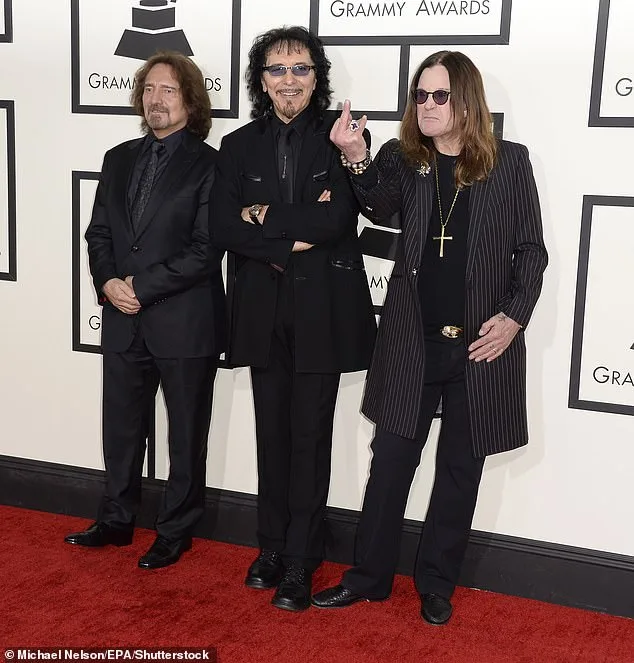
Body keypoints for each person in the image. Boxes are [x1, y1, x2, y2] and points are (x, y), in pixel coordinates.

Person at [312, 50, 547, 624]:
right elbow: (376, 202)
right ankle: (369, 577)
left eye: (440, 96)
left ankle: (437, 583)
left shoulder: (509, 164)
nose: (428, 106)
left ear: (467, 101)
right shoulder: (404, 159)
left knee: (460, 470)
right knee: (390, 461)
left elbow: (531, 253)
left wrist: (514, 317)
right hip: (411, 343)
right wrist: (354, 153)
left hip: (479, 348)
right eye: (421, 95)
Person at [210, 26, 376, 612]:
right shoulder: (236, 146)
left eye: (300, 68)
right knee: (272, 438)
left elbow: (336, 225)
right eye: (277, 69)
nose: (289, 79)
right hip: (260, 312)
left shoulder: (342, 139)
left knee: (311, 438)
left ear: (317, 77)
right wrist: (289, 235)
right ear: (261, 79)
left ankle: (303, 561)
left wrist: (264, 217)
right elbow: (224, 227)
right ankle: (271, 548)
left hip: (322, 315)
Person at [65, 52, 226, 570]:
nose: (156, 99)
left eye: (169, 90)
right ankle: (115, 519)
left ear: (190, 100)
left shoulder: (211, 165)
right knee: (121, 428)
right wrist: (110, 283)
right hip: (122, 318)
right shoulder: (118, 158)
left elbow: (206, 249)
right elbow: (99, 234)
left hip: (184, 322)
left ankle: (175, 529)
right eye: (150, 89)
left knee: (185, 434)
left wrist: (141, 285)